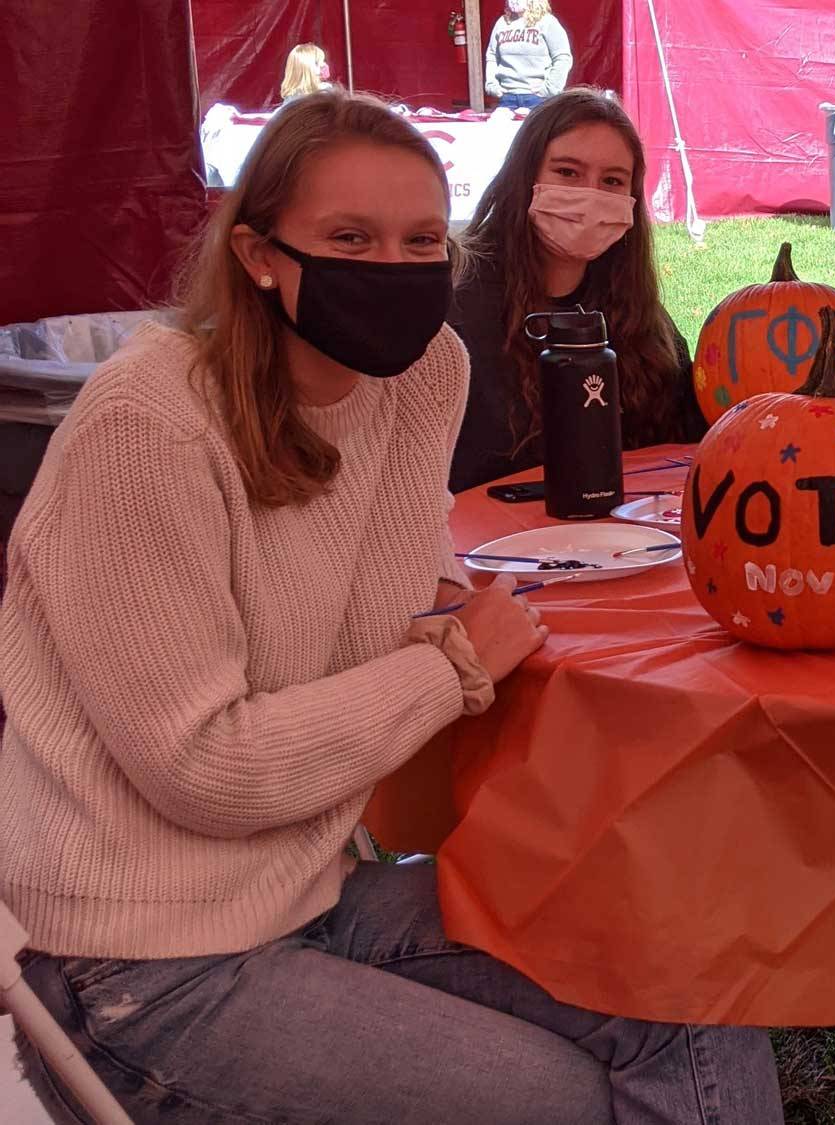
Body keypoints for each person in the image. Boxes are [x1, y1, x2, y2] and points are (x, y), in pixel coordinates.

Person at [0, 89, 783, 1124]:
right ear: (258, 255)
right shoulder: (149, 428)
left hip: (311, 889)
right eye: (348, 238)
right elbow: (206, 766)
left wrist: (463, 621)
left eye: (421, 240)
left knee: (689, 969)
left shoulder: (422, 374)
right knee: (565, 1102)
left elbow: (411, 581)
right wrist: (450, 665)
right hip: (142, 959)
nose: (392, 270)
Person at [449, 88, 704, 494]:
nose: (590, 195)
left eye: (612, 181)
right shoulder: (458, 308)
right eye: (567, 172)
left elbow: (693, 440)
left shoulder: (642, 318)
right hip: (490, 539)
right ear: (525, 176)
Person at [485, 0, 573, 111]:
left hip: (538, 98)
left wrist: (549, 89)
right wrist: (492, 84)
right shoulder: (502, 23)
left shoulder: (547, 21)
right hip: (507, 96)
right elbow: (492, 56)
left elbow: (563, 57)